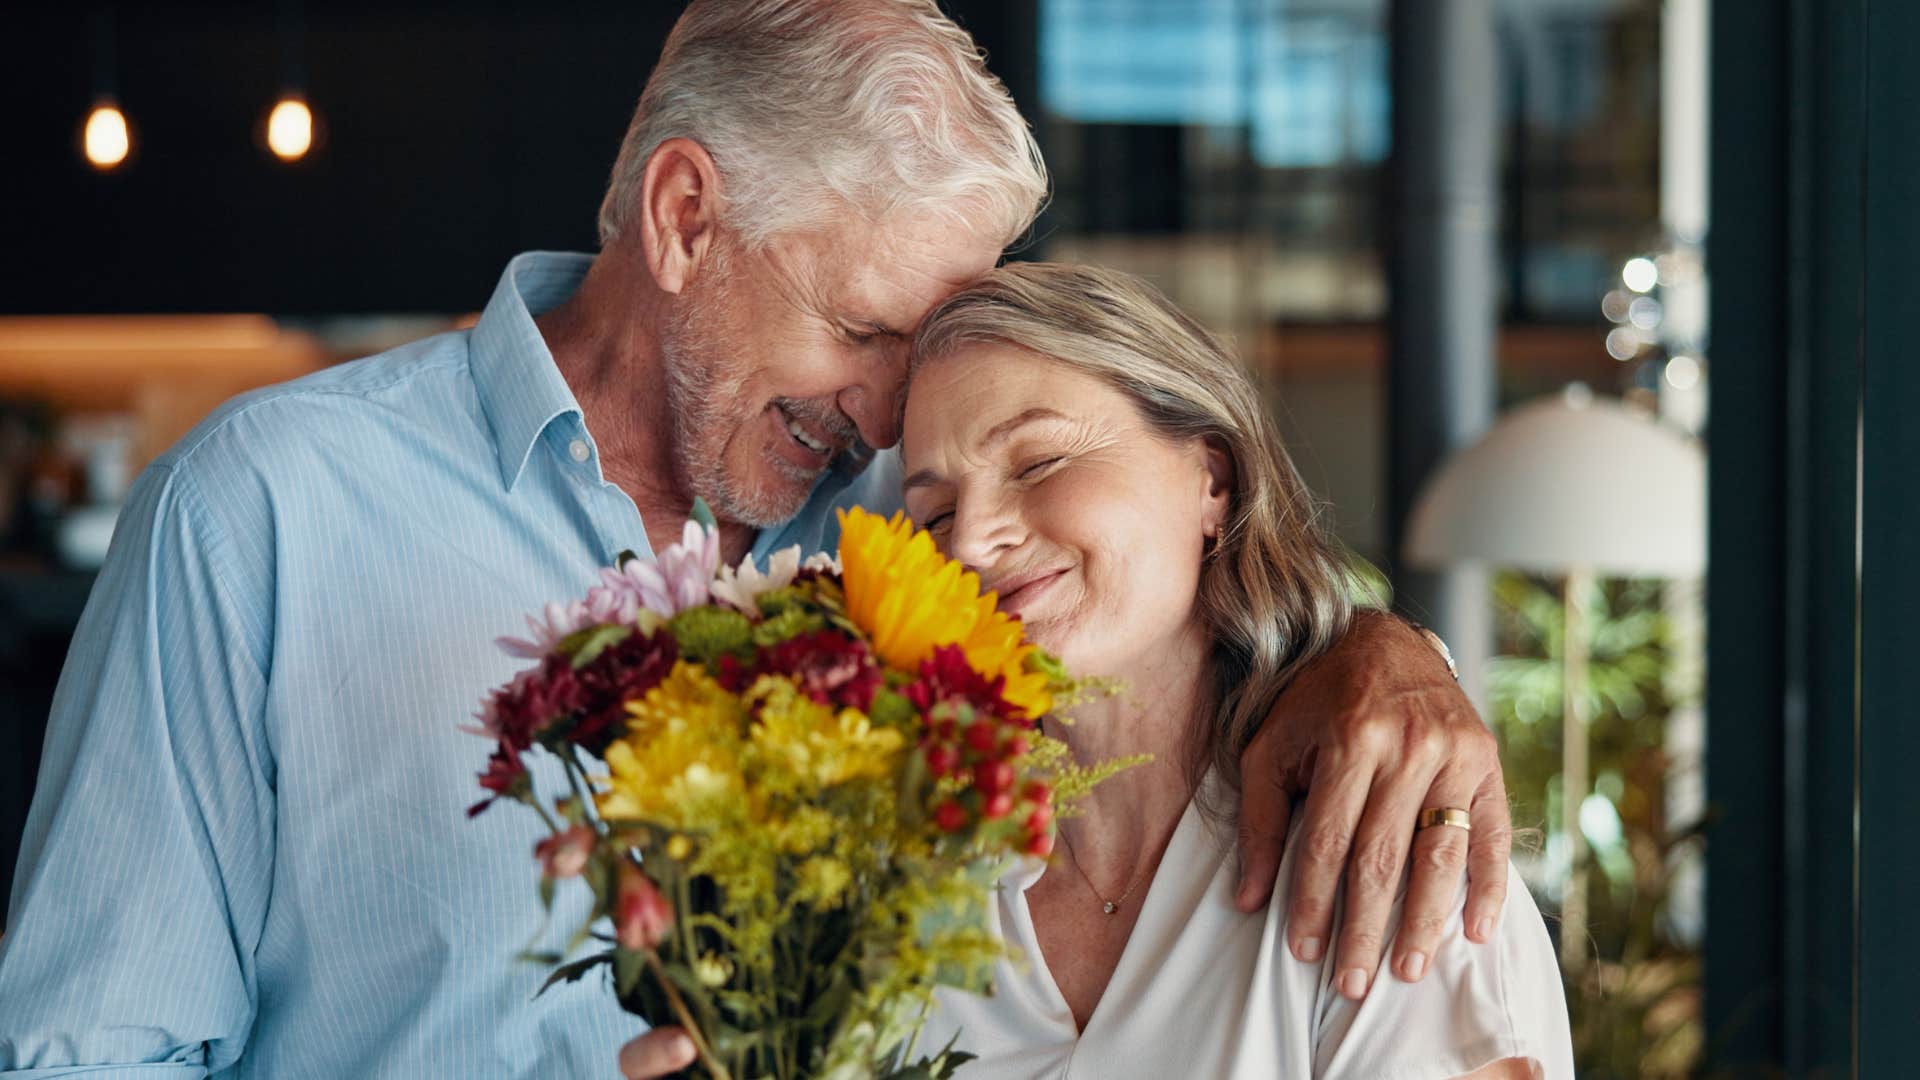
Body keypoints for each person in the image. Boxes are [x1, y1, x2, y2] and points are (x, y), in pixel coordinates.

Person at [0, 4, 1509, 1078]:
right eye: (860, 328)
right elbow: (91, 1048)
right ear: (680, 217)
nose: (891, 412)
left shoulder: (911, 541)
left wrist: (1382, 655)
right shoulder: (266, 510)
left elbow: (1162, 600)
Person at [897, 263, 1570, 1078]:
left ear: (1212, 479)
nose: (970, 541)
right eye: (933, 515)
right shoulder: (906, 868)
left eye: (1038, 463)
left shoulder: (1387, 845)